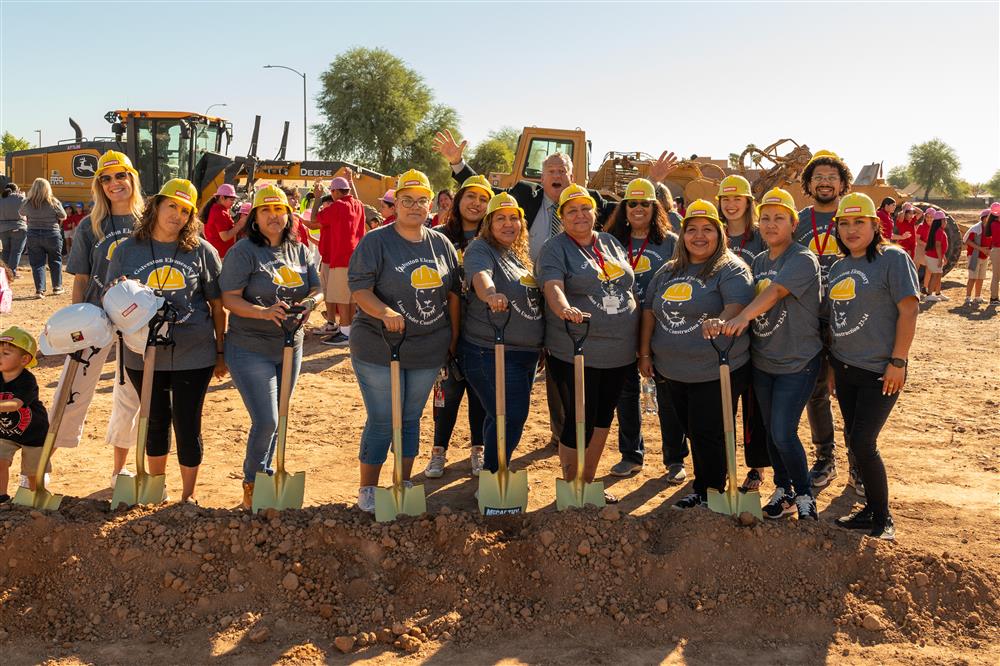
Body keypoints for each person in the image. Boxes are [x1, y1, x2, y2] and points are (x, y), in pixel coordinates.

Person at [106, 178, 227, 504]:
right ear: (156, 205)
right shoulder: (127, 251)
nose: (177, 214)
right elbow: (110, 298)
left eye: (186, 210)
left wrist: (220, 352)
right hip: (141, 355)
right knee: (155, 420)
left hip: (194, 353)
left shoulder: (202, 251)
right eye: (172, 205)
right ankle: (156, 489)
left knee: (188, 424)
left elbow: (217, 306)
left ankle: (188, 496)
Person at [347, 169, 461, 513]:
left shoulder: (440, 243)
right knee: (383, 417)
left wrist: (452, 339)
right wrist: (384, 312)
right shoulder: (376, 242)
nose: (415, 206)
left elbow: (453, 293)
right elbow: (360, 290)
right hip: (379, 346)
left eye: (421, 201)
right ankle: (368, 488)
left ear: (431, 205)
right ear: (395, 204)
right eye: (407, 200)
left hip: (427, 348)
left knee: (410, 417)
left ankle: (403, 481)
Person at [640, 200, 754, 508]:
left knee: (709, 431)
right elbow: (650, 310)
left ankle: (710, 490)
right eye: (692, 230)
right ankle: (708, 483)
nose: (699, 236)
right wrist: (645, 353)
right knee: (694, 430)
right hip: (672, 369)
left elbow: (737, 306)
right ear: (683, 234)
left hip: (715, 368)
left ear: (719, 233)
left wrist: (723, 320)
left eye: (707, 229)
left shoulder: (730, 268)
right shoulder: (668, 270)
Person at [722, 188, 822, 521]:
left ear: (793, 224)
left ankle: (805, 493)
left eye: (779, 218)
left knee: (782, 431)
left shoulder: (802, 258)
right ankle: (784, 489)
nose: (770, 224)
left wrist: (741, 318)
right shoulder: (760, 261)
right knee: (770, 431)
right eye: (765, 218)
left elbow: (777, 292)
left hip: (797, 362)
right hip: (764, 362)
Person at [219, 185, 321, 509]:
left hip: (292, 345)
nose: (274, 216)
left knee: (281, 414)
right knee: (267, 420)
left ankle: (268, 481)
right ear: (255, 218)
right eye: (266, 211)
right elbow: (229, 298)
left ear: (289, 215)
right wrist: (263, 312)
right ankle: (253, 483)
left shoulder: (300, 251)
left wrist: (309, 303)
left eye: (279, 210)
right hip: (250, 345)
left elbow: (318, 288)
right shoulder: (243, 252)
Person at [826, 193, 919, 540]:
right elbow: (836, 318)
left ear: (875, 225)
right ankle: (869, 511)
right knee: (854, 439)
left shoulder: (892, 258)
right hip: (845, 367)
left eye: (859, 223)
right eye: (845, 224)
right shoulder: (838, 267)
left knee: (864, 441)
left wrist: (899, 360)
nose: (851, 230)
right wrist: (833, 366)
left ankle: (883, 519)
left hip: (880, 370)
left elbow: (909, 310)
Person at [538, 184, 639, 503]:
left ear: (594, 212)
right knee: (578, 418)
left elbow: (626, 285)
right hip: (577, 347)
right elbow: (553, 286)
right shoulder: (555, 248)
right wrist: (563, 307)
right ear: (562, 216)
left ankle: (589, 483)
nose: (579, 215)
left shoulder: (609, 242)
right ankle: (572, 488)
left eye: (585, 208)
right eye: (571, 210)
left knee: (603, 417)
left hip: (620, 350)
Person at [58, 150, 144, 485]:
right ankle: (42, 464)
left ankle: (119, 469)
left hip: (137, 318)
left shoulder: (148, 222)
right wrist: (74, 322)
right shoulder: (90, 225)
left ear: (131, 178)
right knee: (72, 388)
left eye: (119, 176)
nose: (113, 184)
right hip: (95, 316)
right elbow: (80, 277)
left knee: (130, 394)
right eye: (105, 179)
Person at [459, 192, 544, 478]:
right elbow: (480, 276)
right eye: (500, 219)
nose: (508, 224)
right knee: (510, 414)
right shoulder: (481, 249)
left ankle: (490, 469)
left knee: (501, 414)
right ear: (488, 223)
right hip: (489, 349)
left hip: (525, 352)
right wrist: (491, 294)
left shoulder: (518, 255)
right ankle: (494, 474)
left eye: (513, 218)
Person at [603, 178, 683, 480]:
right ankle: (631, 455)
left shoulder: (672, 242)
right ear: (624, 207)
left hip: (663, 329)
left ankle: (675, 460)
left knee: (668, 394)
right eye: (632, 203)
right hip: (621, 327)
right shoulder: (609, 241)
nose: (638, 209)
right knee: (626, 394)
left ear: (655, 207)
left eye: (645, 204)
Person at [794, 150, 860, 493]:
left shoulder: (854, 217)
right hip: (807, 320)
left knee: (849, 393)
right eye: (818, 176)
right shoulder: (798, 220)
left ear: (842, 184)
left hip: (849, 319)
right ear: (808, 183)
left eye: (832, 177)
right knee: (816, 393)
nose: (824, 182)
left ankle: (859, 464)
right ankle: (825, 458)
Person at [425, 175, 493, 478]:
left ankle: (478, 450)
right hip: (442, 327)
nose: (476, 204)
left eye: (483, 199)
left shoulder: (493, 240)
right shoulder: (436, 236)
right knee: (446, 391)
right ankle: (438, 451)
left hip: (481, 328)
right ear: (458, 199)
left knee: (479, 393)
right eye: (470, 197)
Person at [715, 174, 770, 492]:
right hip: (723, 330)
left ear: (749, 202)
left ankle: (756, 467)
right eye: (725, 199)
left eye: (737, 199)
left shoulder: (761, 236)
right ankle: (720, 466)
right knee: (722, 404)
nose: (731, 204)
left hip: (759, 329)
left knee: (754, 405)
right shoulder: (713, 234)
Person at [310, 174, 366, 347]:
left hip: (341, 258)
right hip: (357, 258)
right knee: (350, 298)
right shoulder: (358, 204)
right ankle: (348, 331)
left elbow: (314, 221)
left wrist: (318, 198)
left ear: (335, 192)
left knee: (341, 297)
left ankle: (345, 332)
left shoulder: (338, 206)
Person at [0, 327, 48, 502]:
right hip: (5, 432)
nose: (0, 356)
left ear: (25, 359)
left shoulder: (27, 381)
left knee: (32, 473)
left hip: (34, 433)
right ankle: (2, 497)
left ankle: (37, 498)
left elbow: (15, 405)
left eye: (5, 353)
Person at [19, 178, 66, 298]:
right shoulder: (53, 201)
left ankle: (40, 290)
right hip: (52, 234)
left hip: (33, 234)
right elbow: (63, 216)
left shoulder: (28, 202)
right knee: (55, 261)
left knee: (37, 263)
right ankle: (57, 287)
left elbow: (21, 213)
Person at [201, 183, 244, 258]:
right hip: (221, 255)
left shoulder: (216, 209)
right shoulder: (219, 212)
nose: (233, 203)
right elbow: (225, 237)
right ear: (222, 198)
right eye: (231, 200)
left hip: (218, 253)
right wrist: (240, 225)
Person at [962, 210, 991, 307]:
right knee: (973, 277)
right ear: (983, 218)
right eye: (988, 217)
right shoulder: (976, 229)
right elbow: (967, 241)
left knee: (981, 278)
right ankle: (968, 297)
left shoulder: (990, 228)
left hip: (984, 256)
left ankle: (977, 297)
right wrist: (981, 249)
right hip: (974, 256)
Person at [919, 209, 949, 302]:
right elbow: (938, 245)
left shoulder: (937, 230)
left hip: (935, 257)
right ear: (940, 221)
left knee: (939, 274)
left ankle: (938, 293)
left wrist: (943, 257)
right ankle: (929, 295)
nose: (946, 222)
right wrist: (940, 259)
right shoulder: (939, 231)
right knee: (935, 275)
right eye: (944, 220)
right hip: (934, 257)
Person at [0, 183, 27, 279]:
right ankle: (12, 273)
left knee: (6, 251)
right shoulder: (20, 197)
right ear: (16, 189)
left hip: (3, 229)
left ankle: (4, 273)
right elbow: (26, 210)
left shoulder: (1, 198)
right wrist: (23, 196)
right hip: (18, 227)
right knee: (16, 251)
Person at [983, 203, 1000, 306]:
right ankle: (994, 298)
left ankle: (994, 297)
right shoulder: (995, 225)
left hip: (996, 251)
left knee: (996, 276)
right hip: (997, 250)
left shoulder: (994, 224)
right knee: (996, 276)